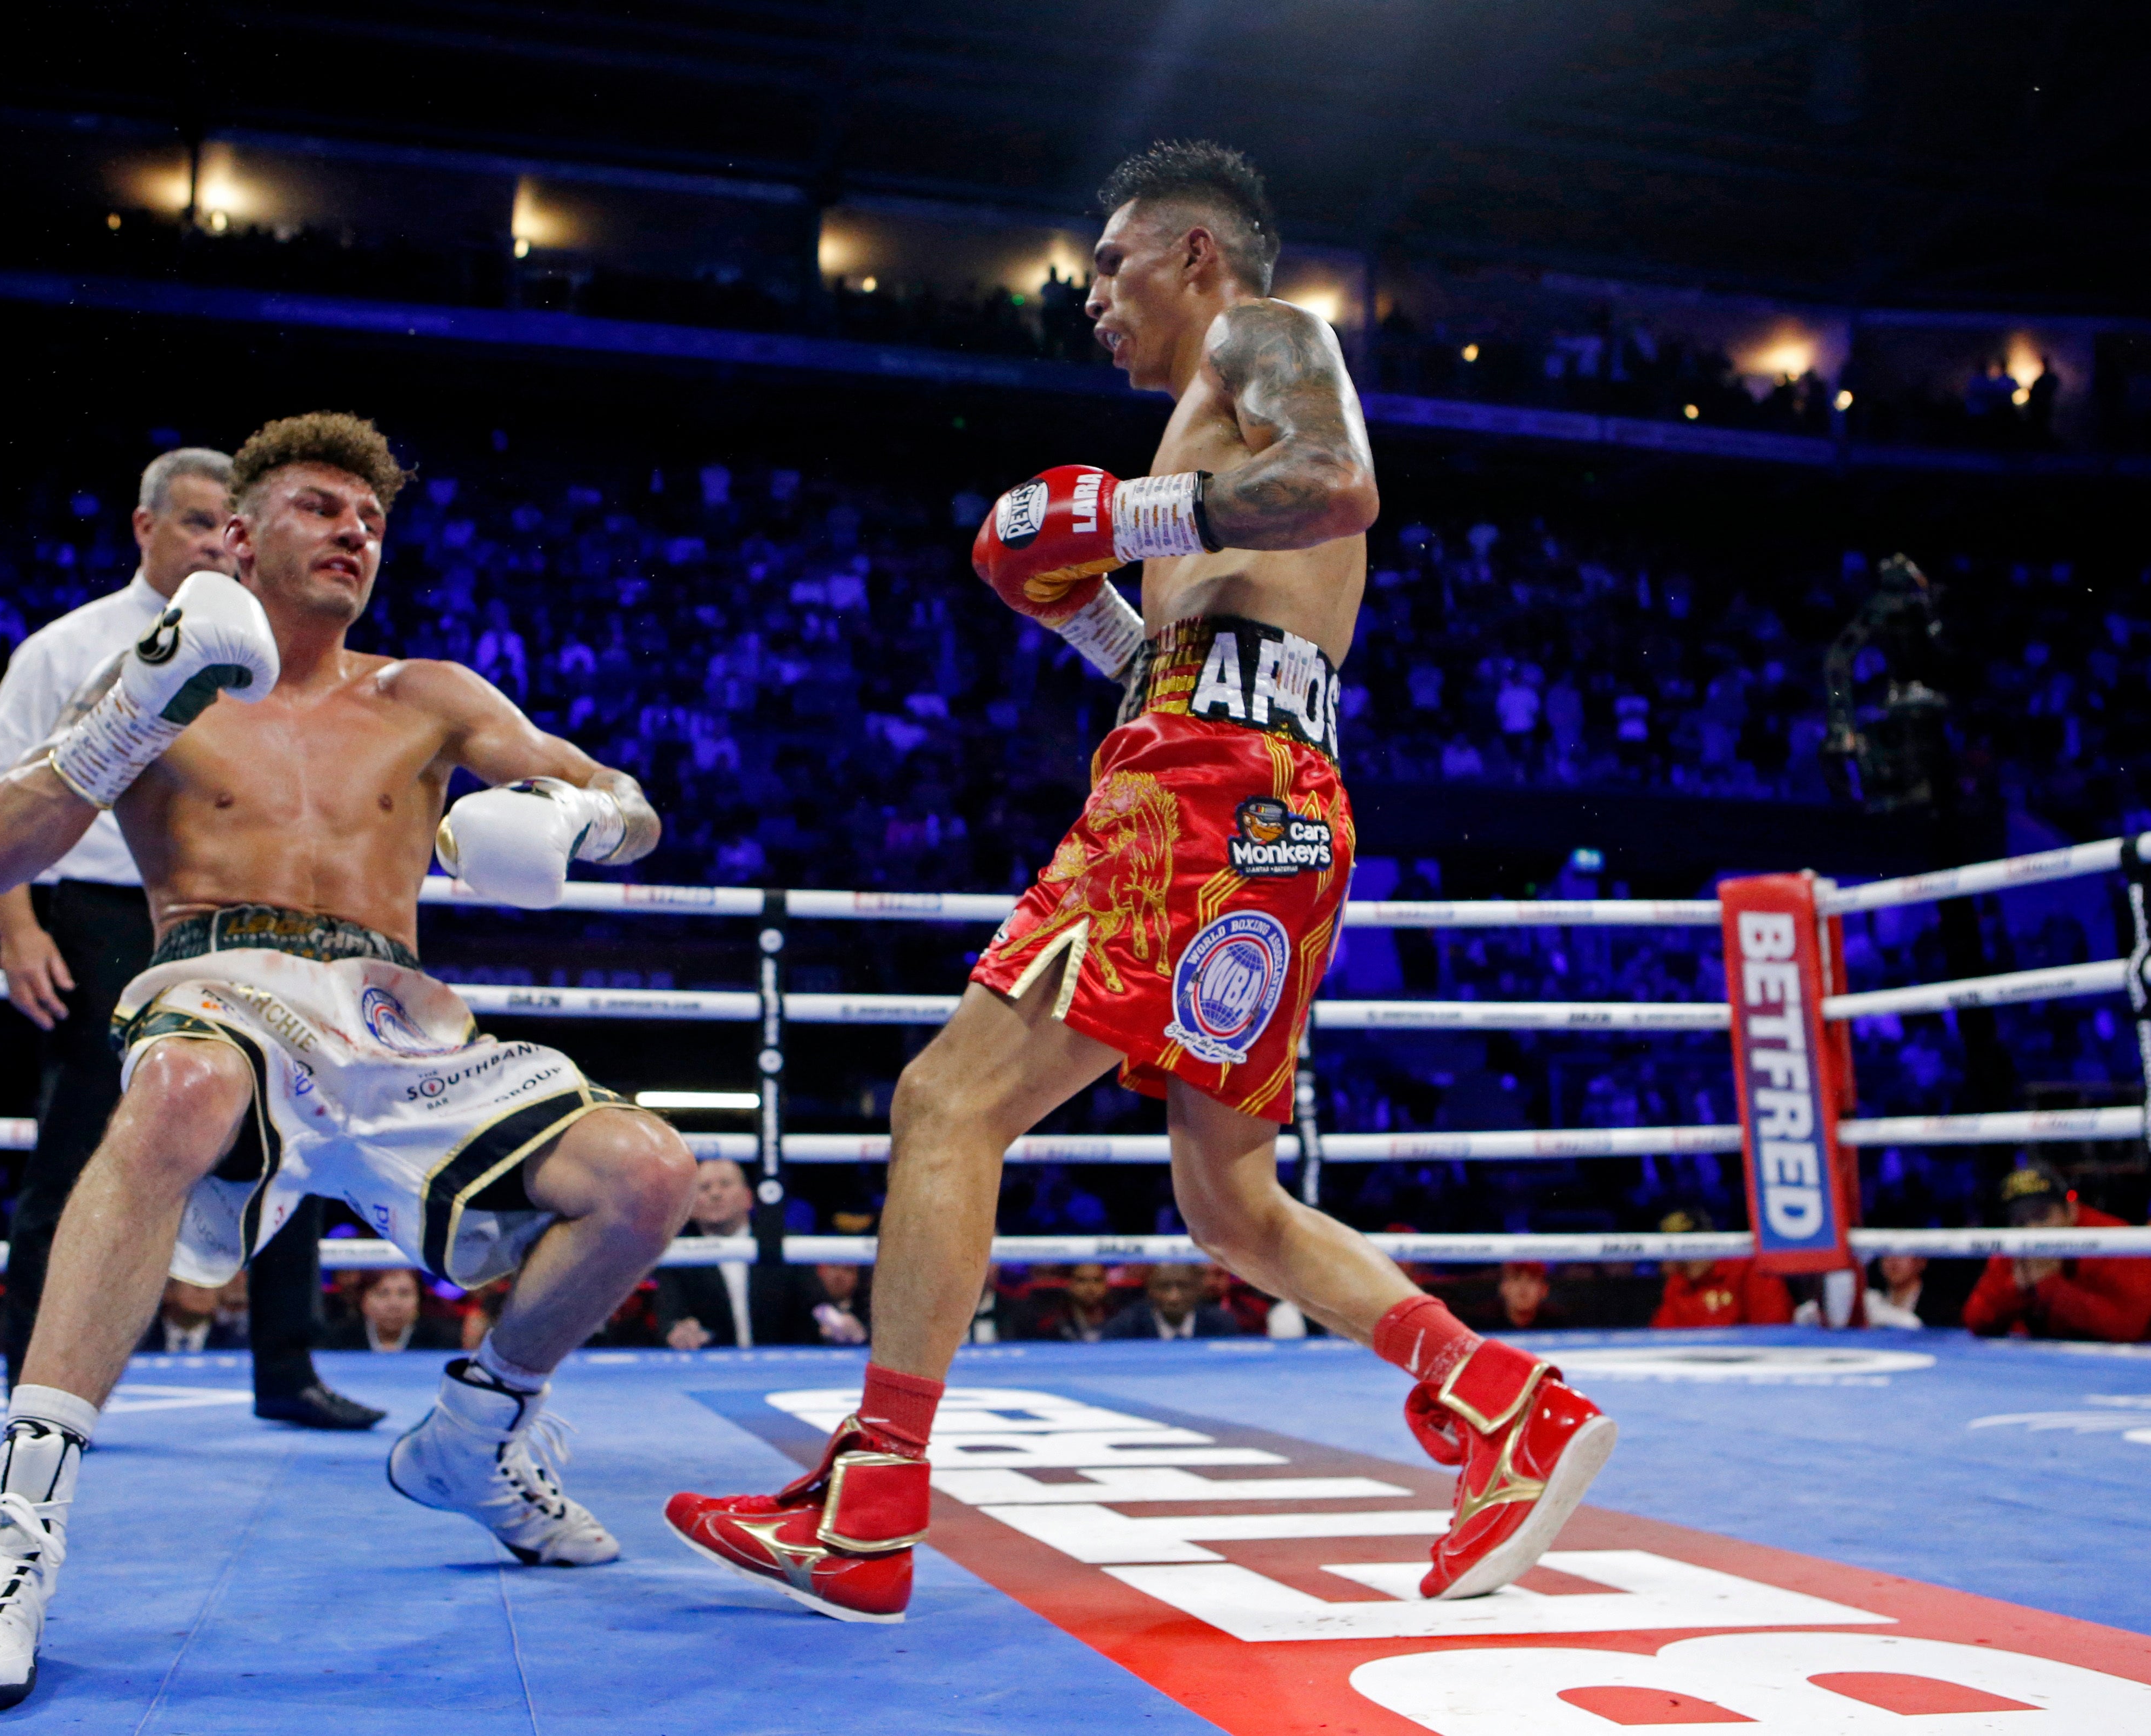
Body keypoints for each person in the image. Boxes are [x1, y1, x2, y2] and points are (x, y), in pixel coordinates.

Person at [670, 141, 1612, 1624]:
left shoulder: (1261, 335)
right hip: (1271, 791)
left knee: (945, 1101)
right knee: (1229, 1200)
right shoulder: (1198, 418)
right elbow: (1195, 642)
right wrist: (1082, 603)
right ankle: (1506, 1402)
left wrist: (1113, 519)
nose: (1087, 294)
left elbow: (1334, 485)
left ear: (1191, 257)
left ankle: (871, 1502)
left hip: (1206, 789)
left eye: (1110, 264)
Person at [0, 412, 697, 1716]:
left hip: (398, 1018)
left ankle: (481, 1427)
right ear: (235, 534)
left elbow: (627, 795)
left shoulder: (429, 691)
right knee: (181, 1085)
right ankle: (10, 1539)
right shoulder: (156, 675)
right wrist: (125, 720)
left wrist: (583, 821)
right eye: (323, 507)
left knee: (649, 1173)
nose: (354, 533)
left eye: (371, 521)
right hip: (216, 976)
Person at [0, 447, 379, 1433]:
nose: (209, 541)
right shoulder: (66, 648)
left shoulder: (281, 652)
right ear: (146, 528)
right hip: (104, 913)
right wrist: (17, 930)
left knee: (291, 1133)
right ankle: (39, 1385)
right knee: (82, 1143)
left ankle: (286, 1368)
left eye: (220, 524)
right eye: (192, 521)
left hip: (255, 923)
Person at [652, 1159, 831, 1348]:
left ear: (748, 1197)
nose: (715, 1194)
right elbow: (670, 1316)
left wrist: (836, 1322)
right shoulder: (678, 1254)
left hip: (784, 1368)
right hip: (709, 1371)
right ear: (691, 1204)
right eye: (705, 1187)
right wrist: (681, 1332)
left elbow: (817, 1305)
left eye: (725, 1184)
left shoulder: (784, 1244)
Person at [1964, 1166, 2151, 1343]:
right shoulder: (2018, 1244)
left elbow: (2130, 1327)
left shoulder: (2112, 1239)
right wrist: (2014, 1289)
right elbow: (1975, 1319)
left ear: (2071, 1210)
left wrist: (2051, 1286)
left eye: (2041, 1215)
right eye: (2021, 1221)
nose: (2032, 1229)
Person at [1649, 1208, 1794, 1328]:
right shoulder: (1678, 1282)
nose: (1688, 1260)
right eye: (1678, 1253)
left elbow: (1775, 1327)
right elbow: (1663, 1334)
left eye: (1693, 1246)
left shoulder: (1747, 1270)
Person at [325, 1268, 463, 1353]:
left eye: (404, 1293)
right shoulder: (337, 1341)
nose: (394, 1304)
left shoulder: (444, 1341)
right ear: (364, 1300)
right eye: (383, 1293)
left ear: (419, 1300)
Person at [1100, 1262, 1241, 1340]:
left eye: (1183, 1286)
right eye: (1164, 1287)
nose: (1174, 1297)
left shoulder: (1222, 1325)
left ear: (1198, 1289)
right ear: (1150, 1290)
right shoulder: (1124, 1327)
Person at [136, 1276, 250, 1354]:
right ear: (167, 1291)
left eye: (211, 1283)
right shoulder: (137, 1343)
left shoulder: (238, 1347)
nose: (203, 1289)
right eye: (193, 1281)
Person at [1029, 1261, 1121, 1343]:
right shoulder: (1054, 1324)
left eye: (1097, 1280)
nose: (1090, 1288)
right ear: (1070, 1285)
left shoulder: (1121, 1318)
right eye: (1082, 1281)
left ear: (1107, 1284)